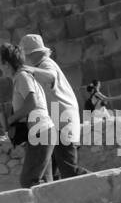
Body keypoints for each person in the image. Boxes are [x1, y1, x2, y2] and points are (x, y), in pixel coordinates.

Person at [19, 33, 85, 179]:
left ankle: (106, 182)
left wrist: (28, 70)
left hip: (62, 119)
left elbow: (51, 76)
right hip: (55, 122)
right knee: (50, 173)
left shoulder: (45, 64)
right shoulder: (39, 67)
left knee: (69, 170)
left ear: (34, 54)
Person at [0, 43, 54, 187]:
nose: (0, 68)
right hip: (41, 131)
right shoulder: (22, 77)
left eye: (1, 63)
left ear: (6, 63)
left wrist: (11, 119)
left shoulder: (22, 77)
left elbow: (32, 103)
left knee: (28, 181)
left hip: (40, 131)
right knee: (45, 183)